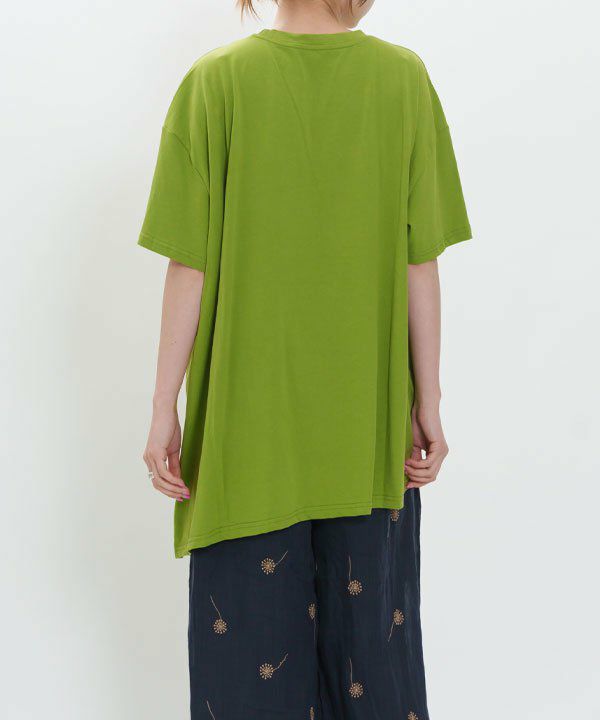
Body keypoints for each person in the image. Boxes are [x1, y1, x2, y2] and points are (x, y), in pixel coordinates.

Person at [139, 0, 471, 717]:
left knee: (248, 683)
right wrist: (429, 400)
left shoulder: (216, 81)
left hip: (248, 442)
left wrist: (164, 407)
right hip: (366, 438)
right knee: (373, 676)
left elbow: (188, 265)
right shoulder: (403, 81)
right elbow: (420, 261)